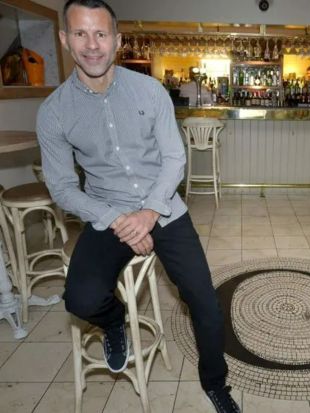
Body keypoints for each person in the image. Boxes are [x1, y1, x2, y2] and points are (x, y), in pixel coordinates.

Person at [36, 2, 239, 412]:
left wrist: (148, 213)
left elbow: (174, 158)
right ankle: (115, 322)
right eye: (80, 34)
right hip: (106, 213)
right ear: (64, 40)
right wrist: (116, 219)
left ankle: (216, 384)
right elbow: (61, 186)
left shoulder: (149, 91)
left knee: (205, 301)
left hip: (164, 208)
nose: (92, 45)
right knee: (81, 299)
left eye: (101, 34)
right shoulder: (54, 112)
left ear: (118, 40)